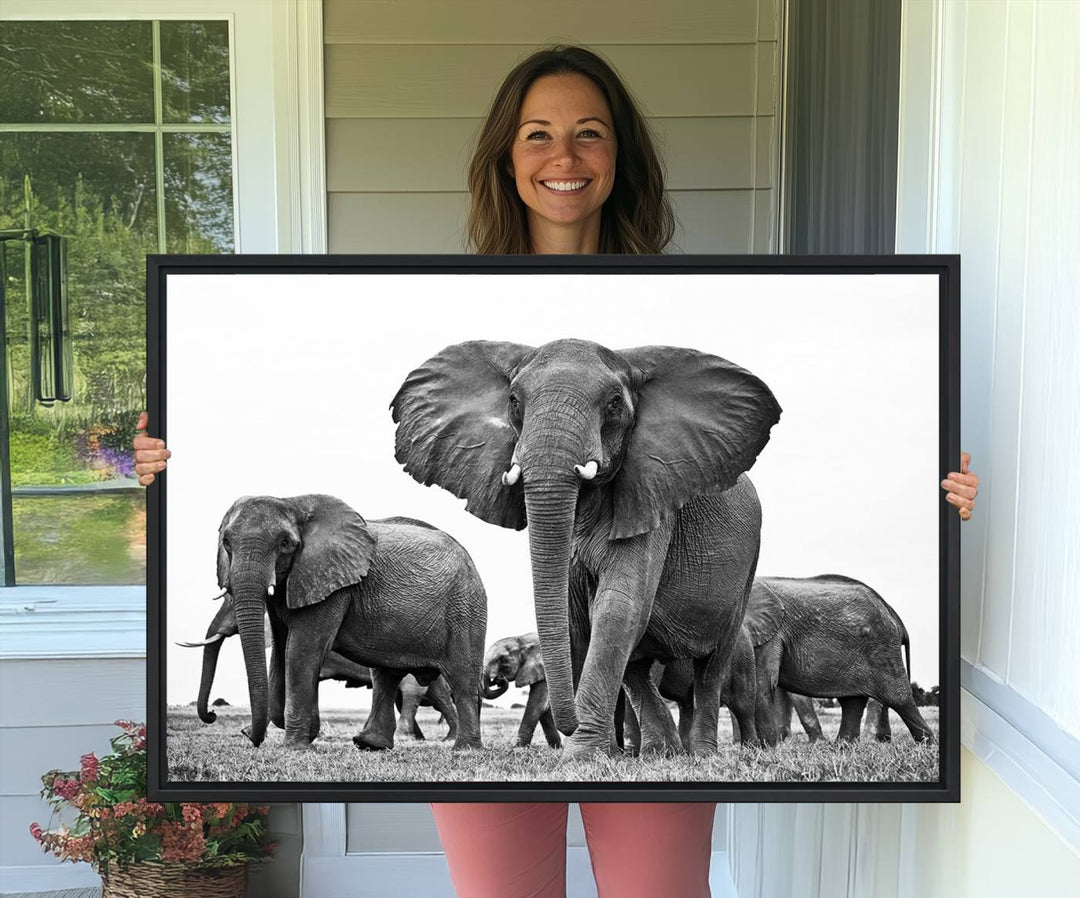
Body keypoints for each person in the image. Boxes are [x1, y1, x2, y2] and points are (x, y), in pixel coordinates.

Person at [134, 45, 979, 898]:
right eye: (537, 135)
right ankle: (584, 728)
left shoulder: (691, 306)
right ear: (506, 156)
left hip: (666, 585)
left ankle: (605, 732)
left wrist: (952, 501)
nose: (563, 158)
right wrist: (155, 471)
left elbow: (622, 598)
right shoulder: (439, 295)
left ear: (622, 157)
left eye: (590, 134)